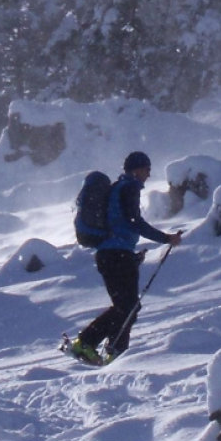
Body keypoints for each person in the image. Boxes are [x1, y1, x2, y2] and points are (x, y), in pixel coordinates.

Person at [68, 151, 184, 363]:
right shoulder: (129, 187)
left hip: (112, 254)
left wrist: (131, 257)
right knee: (127, 307)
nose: (148, 174)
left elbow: (122, 224)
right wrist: (166, 238)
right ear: (136, 170)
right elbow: (134, 222)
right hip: (116, 255)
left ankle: (113, 350)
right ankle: (89, 343)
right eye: (147, 169)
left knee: (127, 306)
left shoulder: (118, 188)